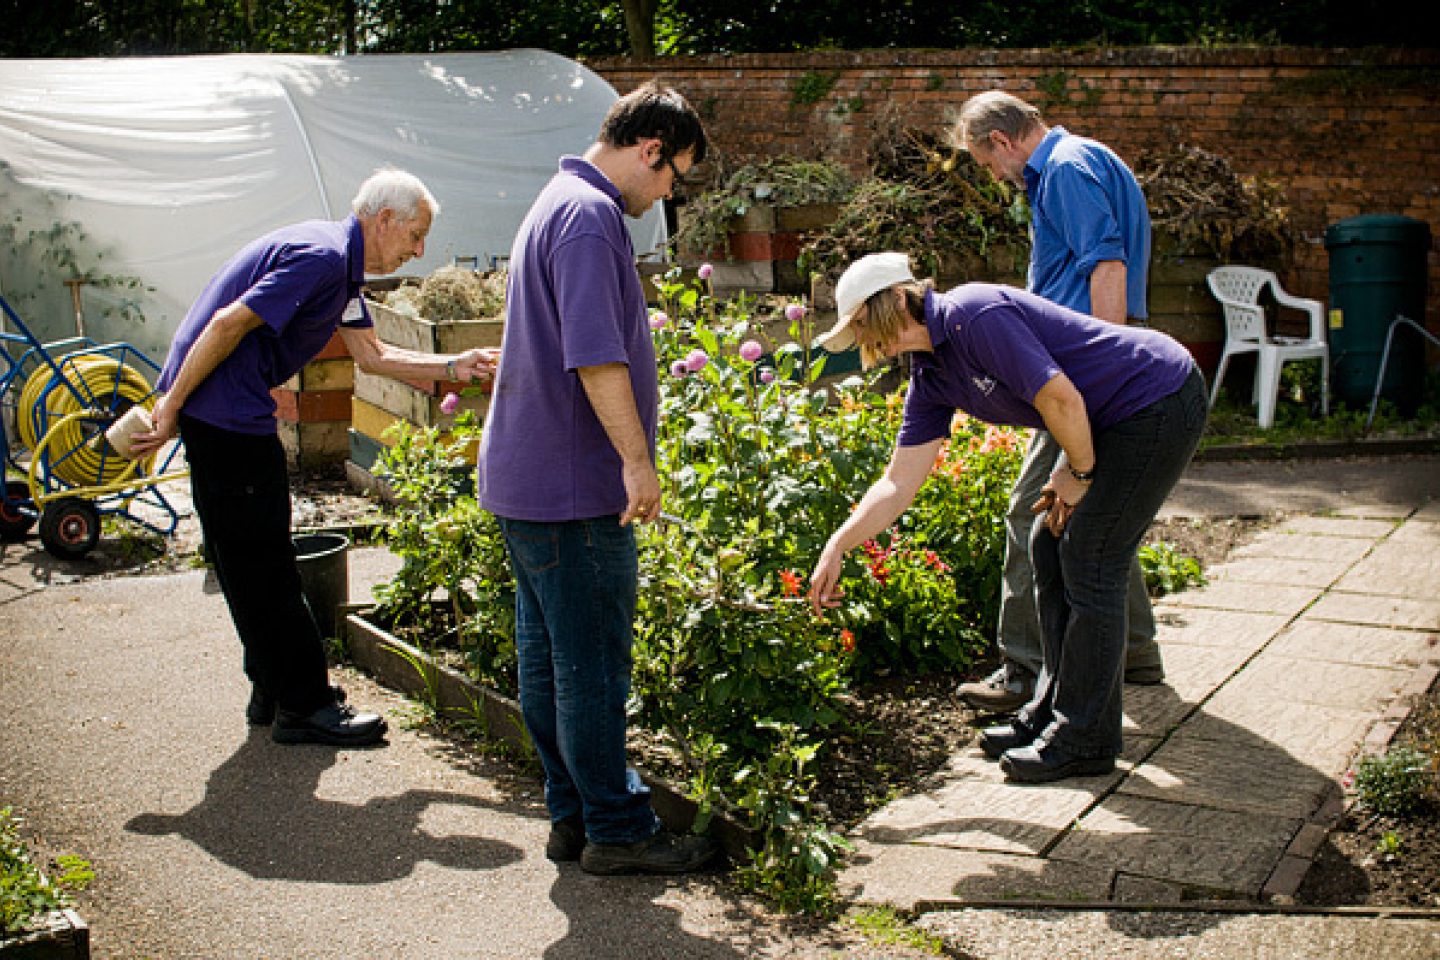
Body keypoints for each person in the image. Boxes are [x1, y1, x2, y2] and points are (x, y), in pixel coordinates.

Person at [131, 169, 496, 748]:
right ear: (383, 220)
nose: (419, 251)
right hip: (224, 415)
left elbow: (372, 357)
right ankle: (305, 704)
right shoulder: (323, 260)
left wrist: (455, 367)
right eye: (415, 235)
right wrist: (170, 405)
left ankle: (273, 689)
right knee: (263, 564)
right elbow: (228, 323)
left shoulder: (340, 269)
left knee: (249, 558)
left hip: (226, 411)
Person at [807, 252, 1205, 783]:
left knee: (1092, 555)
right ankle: (1052, 712)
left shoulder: (974, 314)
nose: (865, 340)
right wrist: (838, 544)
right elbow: (898, 481)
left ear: (900, 299)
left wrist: (1079, 475)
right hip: (1107, 414)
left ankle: (1086, 738)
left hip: (1158, 396)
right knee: (1046, 541)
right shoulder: (932, 375)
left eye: (865, 322)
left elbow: (1059, 399)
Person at [475, 82, 718, 874]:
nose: (668, 194)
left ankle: (573, 817)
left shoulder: (556, 200)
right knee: (591, 669)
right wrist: (636, 462)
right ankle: (617, 830)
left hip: (529, 481)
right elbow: (595, 354)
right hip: (574, 488)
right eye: (675, 175)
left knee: (548, 661)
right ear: (651, 149)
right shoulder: (588, 218)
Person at [952, 90, 1164, 714]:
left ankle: (1025, 665)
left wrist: (1104, 365)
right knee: (1099, 509)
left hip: (1083, 369)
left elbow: (1106, 268)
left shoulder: (1066, 168)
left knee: (1032, 509)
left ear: (1001, 140)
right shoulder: (1081, 161)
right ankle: (1134, 651)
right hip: (1097, 362)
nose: (992, 175)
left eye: (985, 162)